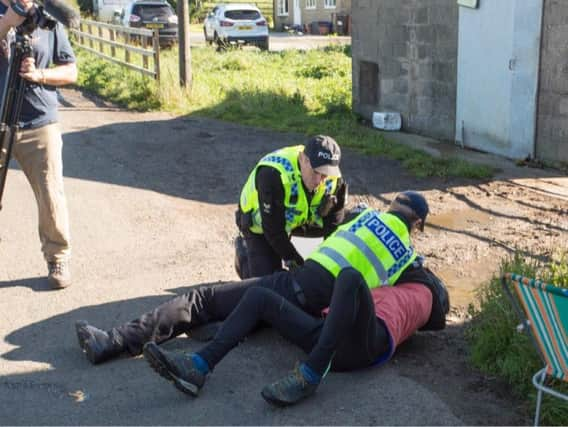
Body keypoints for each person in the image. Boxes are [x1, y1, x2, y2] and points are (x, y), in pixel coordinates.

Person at [76, 191, 432, 369]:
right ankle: (221, 328)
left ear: (392, 207)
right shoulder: (408, 255)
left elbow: (326, 228)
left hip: (296, 284)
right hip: (321, 314)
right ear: (417, 225)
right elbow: (423, 291)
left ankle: (114, 342)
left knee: (203, 298)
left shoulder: (362, 217)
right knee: (246, 307)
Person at [0, 0, 77, 289]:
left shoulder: (48, 20)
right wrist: (8, 21)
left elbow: (71, 71)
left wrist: (40, 75)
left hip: (40, 122)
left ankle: (57, 257)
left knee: (50, 195)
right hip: (0, 120)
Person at [235, 135, 348, 279]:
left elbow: (334, 226)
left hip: (300, 220)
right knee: (266, 285)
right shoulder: (272, 174)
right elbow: (274, 231)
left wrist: (329, 266)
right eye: (316, 172)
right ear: (302, 159)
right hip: (262, 227)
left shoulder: (335, 179)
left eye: (326, 174)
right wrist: (299, 265)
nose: (320, 181)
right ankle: (243, 251)